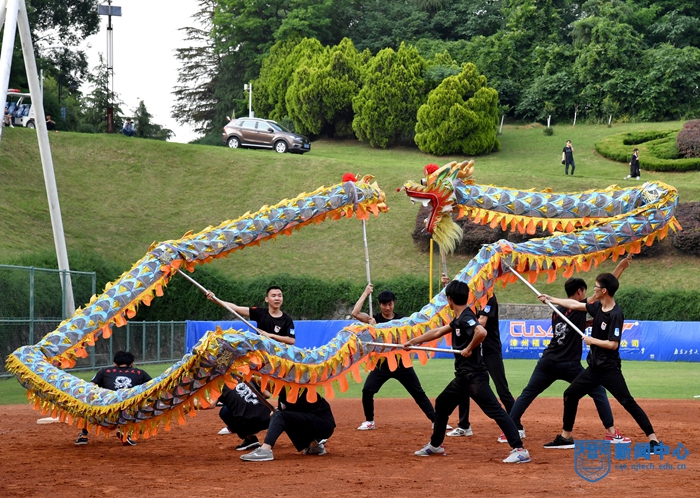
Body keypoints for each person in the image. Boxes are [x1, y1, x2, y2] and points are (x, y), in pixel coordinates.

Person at [509, 255, 633, 448]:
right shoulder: (579, 308)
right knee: (598, 391)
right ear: (579, 292)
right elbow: (606, 289)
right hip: (568, 364)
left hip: (548, 361)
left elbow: (571, 326)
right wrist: (620, 268)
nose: (590, 294)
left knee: (528, 393)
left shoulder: (557, 310)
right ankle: (611, 432)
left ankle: (509, 428)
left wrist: (587, 323)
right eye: (586, 291)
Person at [405, 281, 530, 463]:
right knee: (442, 403)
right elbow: (438, 331)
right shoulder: (459, 318)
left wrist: (469, 348)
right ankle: (436, 444)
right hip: (463, 378)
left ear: (449, 299)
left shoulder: (466, 317)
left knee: (495, 411)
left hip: (474, 378)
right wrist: (413, 342)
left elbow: (481, 332)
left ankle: (519, 449)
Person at [538, 273, 661, 452]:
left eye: (596, 287)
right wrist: (550, 299)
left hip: (609, 369)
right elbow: (575, 304)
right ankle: (566, 437)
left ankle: (653, 440)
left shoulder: (616, 314)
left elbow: (613, 344)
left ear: (604, 290)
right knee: (570, 394)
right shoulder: (597, 307)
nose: (594, 289)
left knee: (627, 402)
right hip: (594, 369)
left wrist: (592, 341)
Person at [351, 284, 436, 430]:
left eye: (390, 304)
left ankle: (436, 421)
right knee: (367, 391)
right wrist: (365, 293)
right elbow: (355, 313)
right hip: (382, 364)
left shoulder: (402, 320)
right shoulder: (373, 320)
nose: (387, 308)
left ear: (393, 303)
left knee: (418, 393)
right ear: (379, 304)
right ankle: (369, 421)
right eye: (384, 305)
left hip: (401, 364)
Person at [448, 292, 521, 443]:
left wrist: (467, 324)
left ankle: (517, 427)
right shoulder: (470, 299)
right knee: (464, 384)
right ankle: (464, 425)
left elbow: (482, 322)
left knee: (502, 389)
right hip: (475, 351)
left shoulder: (489, 297)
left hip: (490, 350)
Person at [74, 350, 152, 446]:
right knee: (138, 403)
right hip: (127, 411)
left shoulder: (104, 371)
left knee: (87, 405)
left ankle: (84, 435)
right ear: (132, 363)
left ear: (114, 363)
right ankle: (126, 432)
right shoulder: (140, 373)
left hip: (106, 410)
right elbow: (152, 387)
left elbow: (90, 386)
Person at [240, 386, 336, 461]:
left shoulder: (297, 390)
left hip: (323, 424)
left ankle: (265, 450)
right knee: (283, 417)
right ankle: (314, 446)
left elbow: (286, 413)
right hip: (317, 422)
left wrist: (278, 413)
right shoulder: (284, 394)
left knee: (281, 416)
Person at [206, 285, 296, 345]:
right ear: (267, 299)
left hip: (278, 356)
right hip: (261, 352)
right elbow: (236, 308)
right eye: (273, 296)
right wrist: (215, 299)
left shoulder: (287, 319)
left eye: (279, 296)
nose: (277, 298)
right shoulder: (259, 313)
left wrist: (271, 335)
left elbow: (291, 340)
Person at [217, 381, 272, 450]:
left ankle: (249, 439)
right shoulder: (245, 377)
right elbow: (267, 395)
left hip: (250, 423)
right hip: (269, 419)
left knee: (225, 411)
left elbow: (211, 405)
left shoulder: (219, 385)